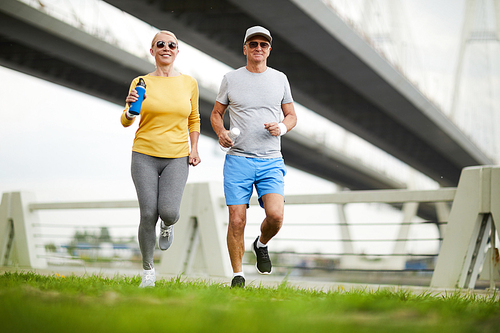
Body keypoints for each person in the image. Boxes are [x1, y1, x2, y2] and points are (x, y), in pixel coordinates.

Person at [210, 26, 297, 288]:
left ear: (269, 50)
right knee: (237, 219)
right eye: (253, 44)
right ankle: (238, 275)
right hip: (238, 159)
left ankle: (261, 244)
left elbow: (291, 115)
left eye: (263, 44)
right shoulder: (230, 78)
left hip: (271, 159)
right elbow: (216, 113)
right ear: (245, 48)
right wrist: (221, 131)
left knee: (276, 216)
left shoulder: (280, 78)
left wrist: (281, 127)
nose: (258, 48)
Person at [121, 30, 201, 288]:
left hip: (177, 155)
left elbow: (194, 118)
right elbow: (125, 120)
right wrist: (130, 110)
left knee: (168, 211)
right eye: (160, 44)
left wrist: (194, 148)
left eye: (171, 44)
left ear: (177, 51)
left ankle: (168, 225)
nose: (166, 47)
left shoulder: (189, 83)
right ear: (152, 51)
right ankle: (148, 272)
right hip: (144, 153)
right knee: (147, 213)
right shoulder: (141, 82)